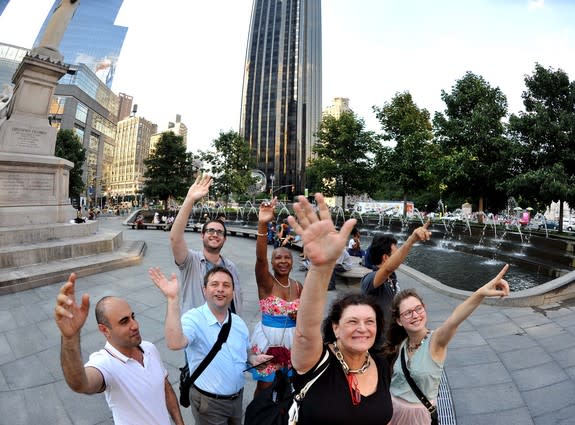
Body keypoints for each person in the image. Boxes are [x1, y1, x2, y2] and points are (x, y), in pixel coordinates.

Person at [288, 193, 393, 424]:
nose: (362, 328)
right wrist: (321, 268)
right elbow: (306, 333)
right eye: (352, 321)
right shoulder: (315, 361)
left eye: (370, 322)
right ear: (335, 327)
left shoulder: (381, 364)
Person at [384, 265, 510, 424]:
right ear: (399, 320)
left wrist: (480, 293)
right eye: (408, 313)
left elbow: (455, 319)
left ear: (425, 308)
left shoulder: (436, 341)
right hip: (391, 410)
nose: (415, 315)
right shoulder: (401, 343)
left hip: (417, 418)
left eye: (418, 309)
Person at [53, 273, 184, 425]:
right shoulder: (105, 363)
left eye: (132, 316)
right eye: (124, 321)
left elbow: (165, 388)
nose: (135, 325)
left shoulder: (149, 348)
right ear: (104, 330)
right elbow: (80, 383)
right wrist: (70, 338)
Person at [149, 266, 271, 425]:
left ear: (232, 293)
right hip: (210, 404)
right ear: (204, 290)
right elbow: (174, 343)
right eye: (214, 284)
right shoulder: (193, 318)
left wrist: (253, 359)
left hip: (237, 398)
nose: (220, 289)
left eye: (226, 285)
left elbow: (246, 351)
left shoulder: (238, 323)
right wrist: (172, 300)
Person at [251, 198, 303, 396]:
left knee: (288, 388)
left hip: (292, 343)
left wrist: (300, 318)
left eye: (287, 257)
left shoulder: (299, 286)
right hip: (268, 341)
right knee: (264, 387)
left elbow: (308, 316)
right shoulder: (266, 283)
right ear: (272, 263)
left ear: (292, 261)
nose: (283, 261)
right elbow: (260, 257)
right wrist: (263, 223)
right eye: (278, 258)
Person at [169, 173, 242, 315]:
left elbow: (236, 300)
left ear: (225, 239)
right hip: (197, 331)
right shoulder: (190, 261)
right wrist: (190, 199)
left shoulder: (231, 267)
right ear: (202, 235)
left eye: (220, 232)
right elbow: (175, 238)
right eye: (211, 231)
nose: (215, 234)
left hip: (224, 329)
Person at [360, 224, 431, 334]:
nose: (400, 257)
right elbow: (387, 268)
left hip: (394, 340)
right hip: (380, 346)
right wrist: (411, 240)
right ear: (385, 258)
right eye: (396, 254)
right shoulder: (369, 279)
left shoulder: (392, 277)